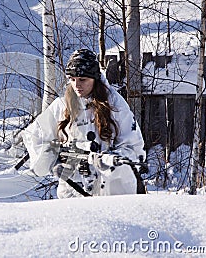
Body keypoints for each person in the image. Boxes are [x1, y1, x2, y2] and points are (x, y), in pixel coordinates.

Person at [21, 49, 146, 198]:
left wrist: (106, 161)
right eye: (72, 79)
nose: (76, 85)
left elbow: (134, 148)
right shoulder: (61, 106)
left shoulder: (115, 104)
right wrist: (51, 159)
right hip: (72, 192)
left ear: (95, 79)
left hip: (112, 192)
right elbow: (35, 136)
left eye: (82, 79)